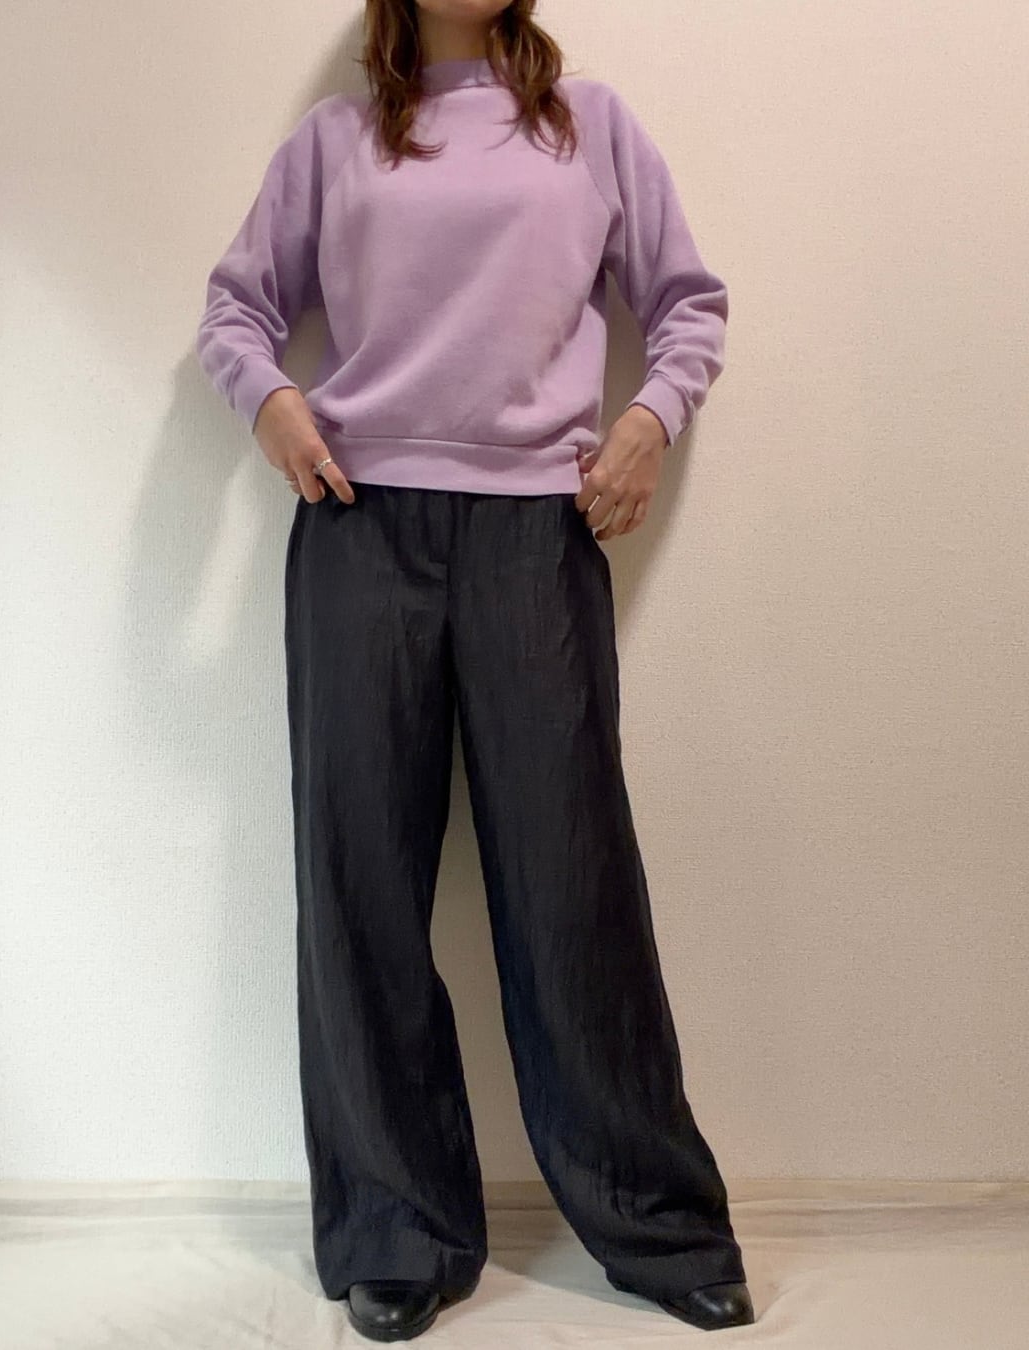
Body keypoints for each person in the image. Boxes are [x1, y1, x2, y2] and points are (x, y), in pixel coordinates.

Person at [195, 0, 754, 1340]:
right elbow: (235, 307)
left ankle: (656, 1219)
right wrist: (273, 403)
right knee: (361, 879)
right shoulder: (332, 144)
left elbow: (687, 305)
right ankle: (395, 1225)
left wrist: (648, 420)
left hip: (535, 535)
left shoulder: (592, 127)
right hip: (358, 524)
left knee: (572, 878)